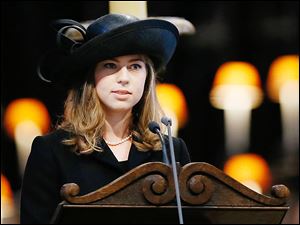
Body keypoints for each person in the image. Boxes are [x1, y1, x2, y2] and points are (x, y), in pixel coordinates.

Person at [20, 13, 191, 224]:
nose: (124, 78)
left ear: (148, 78)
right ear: (90, 75)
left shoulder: (170, 150)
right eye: (110, 65)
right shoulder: (52, 151)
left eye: (135, 66)